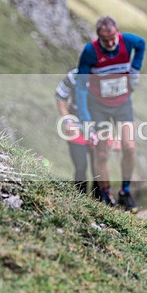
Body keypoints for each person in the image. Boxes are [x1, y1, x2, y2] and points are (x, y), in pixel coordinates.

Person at [75, 16, 146, 211]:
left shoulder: (127, 41)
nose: (110, 43)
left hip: (123, 104)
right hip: (99, 106)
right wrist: (85, 118)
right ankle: (106, 195)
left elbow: (141, 43)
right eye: (105, 40)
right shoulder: (90, 51)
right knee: (102, 151)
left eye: (112, 38)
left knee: (129, 147)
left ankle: (125, 191)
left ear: (117, 32)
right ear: (98, 37)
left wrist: (135, 69)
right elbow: (81, 86)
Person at [55, 68, 100, 199]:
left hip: (100, 127)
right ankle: (80, 200)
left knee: (98, 170)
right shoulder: (74, 75)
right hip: (77, 127)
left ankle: (98, 202)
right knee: (80, 167)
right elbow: (60, 97)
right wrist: (68, 121)